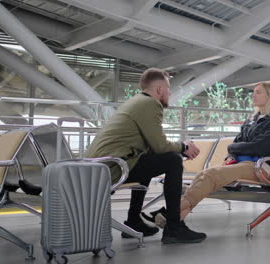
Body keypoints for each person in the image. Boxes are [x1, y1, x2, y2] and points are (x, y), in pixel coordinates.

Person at [86, 68, 206, 244]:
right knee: (173, 161)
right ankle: (174, 227)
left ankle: (133, 221)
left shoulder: (136, 102)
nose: (169, 92)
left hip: (103, 166)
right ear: (159, 89)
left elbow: (154, 146)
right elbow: (160, 146)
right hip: (113, 168)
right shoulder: (151, 104)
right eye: (168, 88)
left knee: (148, 160)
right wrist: (184, 147)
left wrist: (179, 147)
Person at [179, 81, 270, 222]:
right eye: (254, 91)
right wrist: (232, 153)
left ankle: (172, 212)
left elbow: (260, 147)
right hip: (240, 164)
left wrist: (232, 148)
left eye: (258, 92)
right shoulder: (251, 120)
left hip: (258, 167)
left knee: (211, 174)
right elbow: (239, 143)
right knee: (203, 175)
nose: (253, 95)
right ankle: (175, 219)